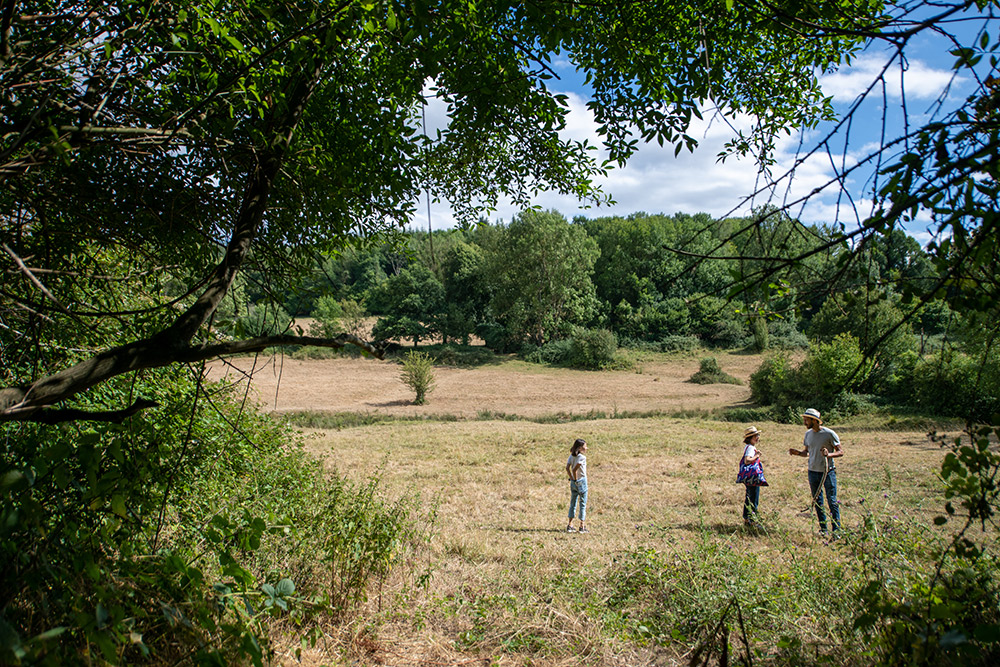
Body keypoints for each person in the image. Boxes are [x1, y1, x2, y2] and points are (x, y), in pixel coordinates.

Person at [788, 408, 843, 536]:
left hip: (827, 472)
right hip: (812, 471)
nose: (804, 422)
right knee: (818, 500)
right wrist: (797, 453)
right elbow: (806, 452)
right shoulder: (808, 434)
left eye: (807, 419)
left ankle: (836, 530)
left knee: (832, 500)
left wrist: (828, 454)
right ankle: (823, 529)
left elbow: (841, 452)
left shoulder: (829, 434)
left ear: (814, 420)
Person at [740, 426, 764, 526]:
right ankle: (752, 520)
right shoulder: (751, 448)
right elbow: (747, 460)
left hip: (748, 477)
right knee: (753, 498)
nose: (758, 437)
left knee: (749, 497)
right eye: (755, 436)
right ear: (750, 438)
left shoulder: (748, 447)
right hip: (752, 476)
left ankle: (747, 518)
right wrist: (756, 456)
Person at [565, 438, 588, 533]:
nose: (587, 448)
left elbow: (567, 468)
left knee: (573, 503)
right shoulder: (582, 458)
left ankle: (570, 524)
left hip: (573, 483)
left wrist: (572, 479)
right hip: (581, 481)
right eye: (585, 447)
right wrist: (576, 479)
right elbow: (574, 469)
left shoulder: (571, 456)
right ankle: (582, 525)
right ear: (580, 448)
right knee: (582, 503)